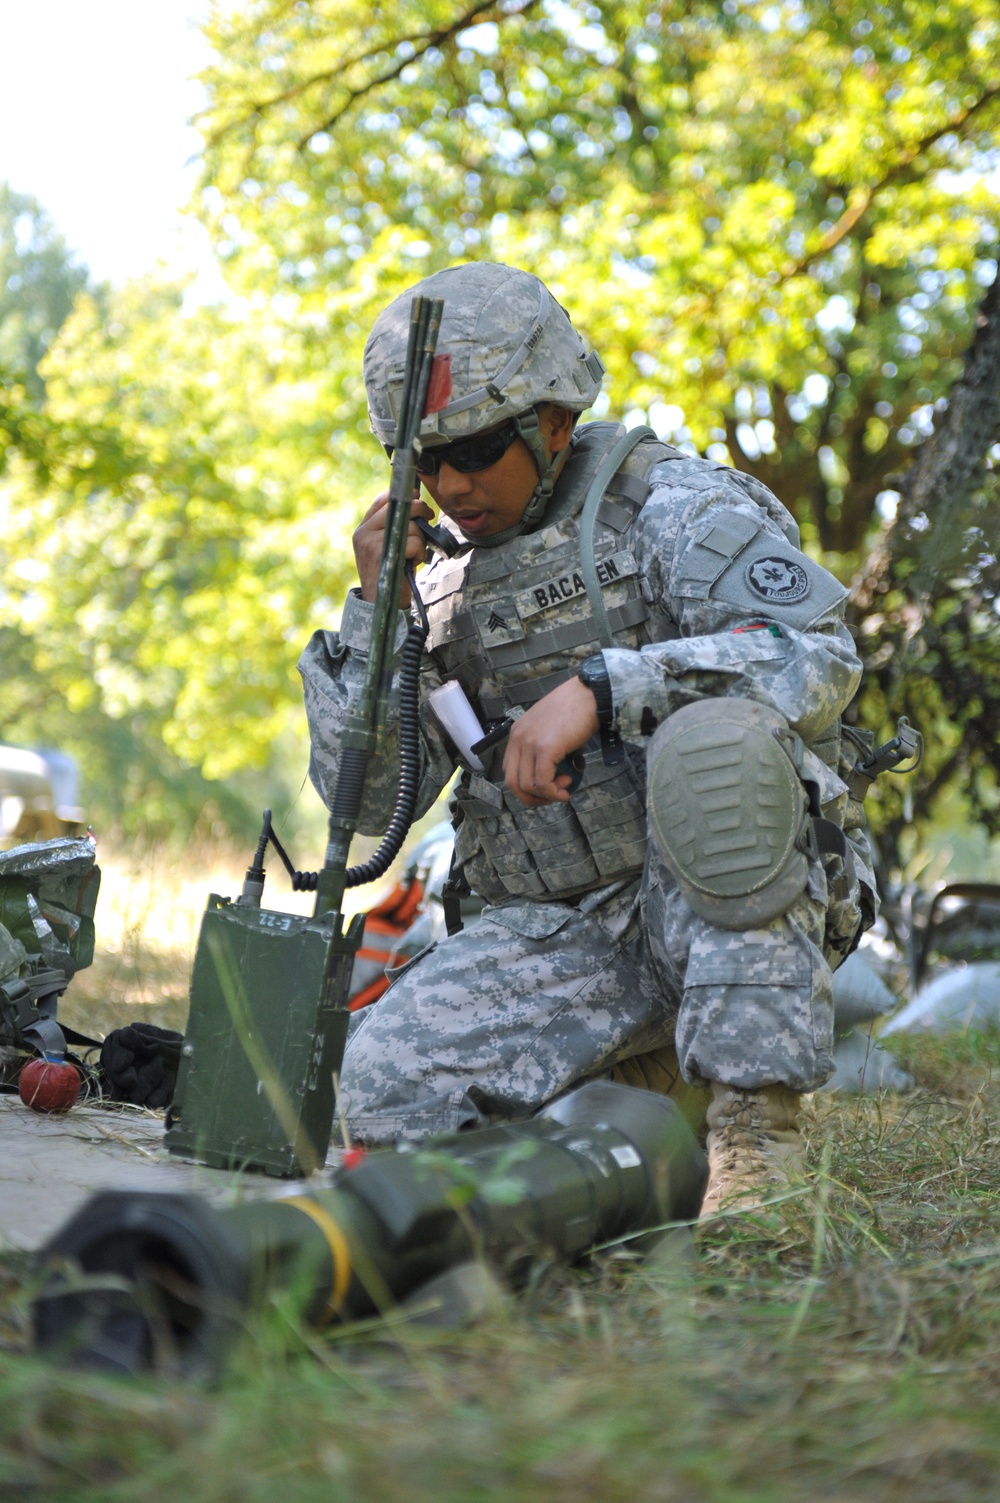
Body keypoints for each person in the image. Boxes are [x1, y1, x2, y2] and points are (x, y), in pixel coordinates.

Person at [299, 262, 877, 1221]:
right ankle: (643, 1102)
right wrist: (377, 615)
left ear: (554, 420)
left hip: (722, 893)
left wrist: (608, 688)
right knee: (384, 1087)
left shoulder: (667, 503)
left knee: (718, 749)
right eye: (425, 461)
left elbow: (817, 652)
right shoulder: (434, 586)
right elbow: (363, 806)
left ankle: (756, 1141)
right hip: (571, 930)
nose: (450, 484)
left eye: (478, 448)